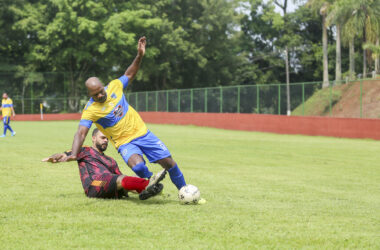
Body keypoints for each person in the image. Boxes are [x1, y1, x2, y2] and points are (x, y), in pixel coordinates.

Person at [57, 37, 188, 193]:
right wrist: (73, 153)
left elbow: (130, 73)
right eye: (96, 94)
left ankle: (185, 190)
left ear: (103, 86)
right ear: (89, 94)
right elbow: (81, 132)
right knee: (138, 166)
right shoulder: (90, 109)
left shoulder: (114, 86)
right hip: (124, 142)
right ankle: (152, 181)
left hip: (143, 133)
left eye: (101, 91)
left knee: (169, 163)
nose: (100, 95)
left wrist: (139, 55)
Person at [42, 128, 166, 200]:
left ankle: (148, 188)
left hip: (109, 186)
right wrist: (54, 157)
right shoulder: (84, 150)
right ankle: (148, 183)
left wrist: (139, 191)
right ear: (93, 138)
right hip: (94, 185)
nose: (106, 140)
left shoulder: (111, 160)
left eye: (107, 138)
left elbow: (123, 183)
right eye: (102, 138)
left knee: (122, 181)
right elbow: (65, 155)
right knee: (118, 179)